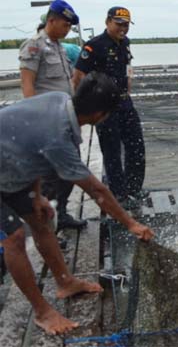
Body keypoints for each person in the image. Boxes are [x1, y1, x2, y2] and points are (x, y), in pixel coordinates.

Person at [0, 72, 154, 335]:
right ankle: (42, 312)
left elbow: (30, 142)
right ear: (99, 115)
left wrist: (37, 196)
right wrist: (131, 224)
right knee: (14, 238)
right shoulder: (60, 136)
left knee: (41, 220)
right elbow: (97, 191)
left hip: (10, 167)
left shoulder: (60, 99)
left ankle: (65, 282)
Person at [18, 0, 87, 231]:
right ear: (51, 20)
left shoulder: (59, 47)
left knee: (70, 170)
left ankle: (62, 212)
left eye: (70, 26)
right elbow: (27, 86)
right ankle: (45, 226)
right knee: (48, 178)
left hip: (65, 120)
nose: (67, 29)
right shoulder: (34, 46)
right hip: (45, 123)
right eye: (64, 24)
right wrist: (33, 122)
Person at [72, 7, 146, 210]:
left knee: (136, 148)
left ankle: (134, 189)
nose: (123, 28)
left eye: (126, 25)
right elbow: (78, 76)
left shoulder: (125, 43)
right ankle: (118, 194)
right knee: (112, 151)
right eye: (119, 23)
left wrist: (128, 90)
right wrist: (84, 107)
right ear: (107, 22)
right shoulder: (94, 46)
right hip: (105, 108)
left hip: (125, 103)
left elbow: (127, 69)